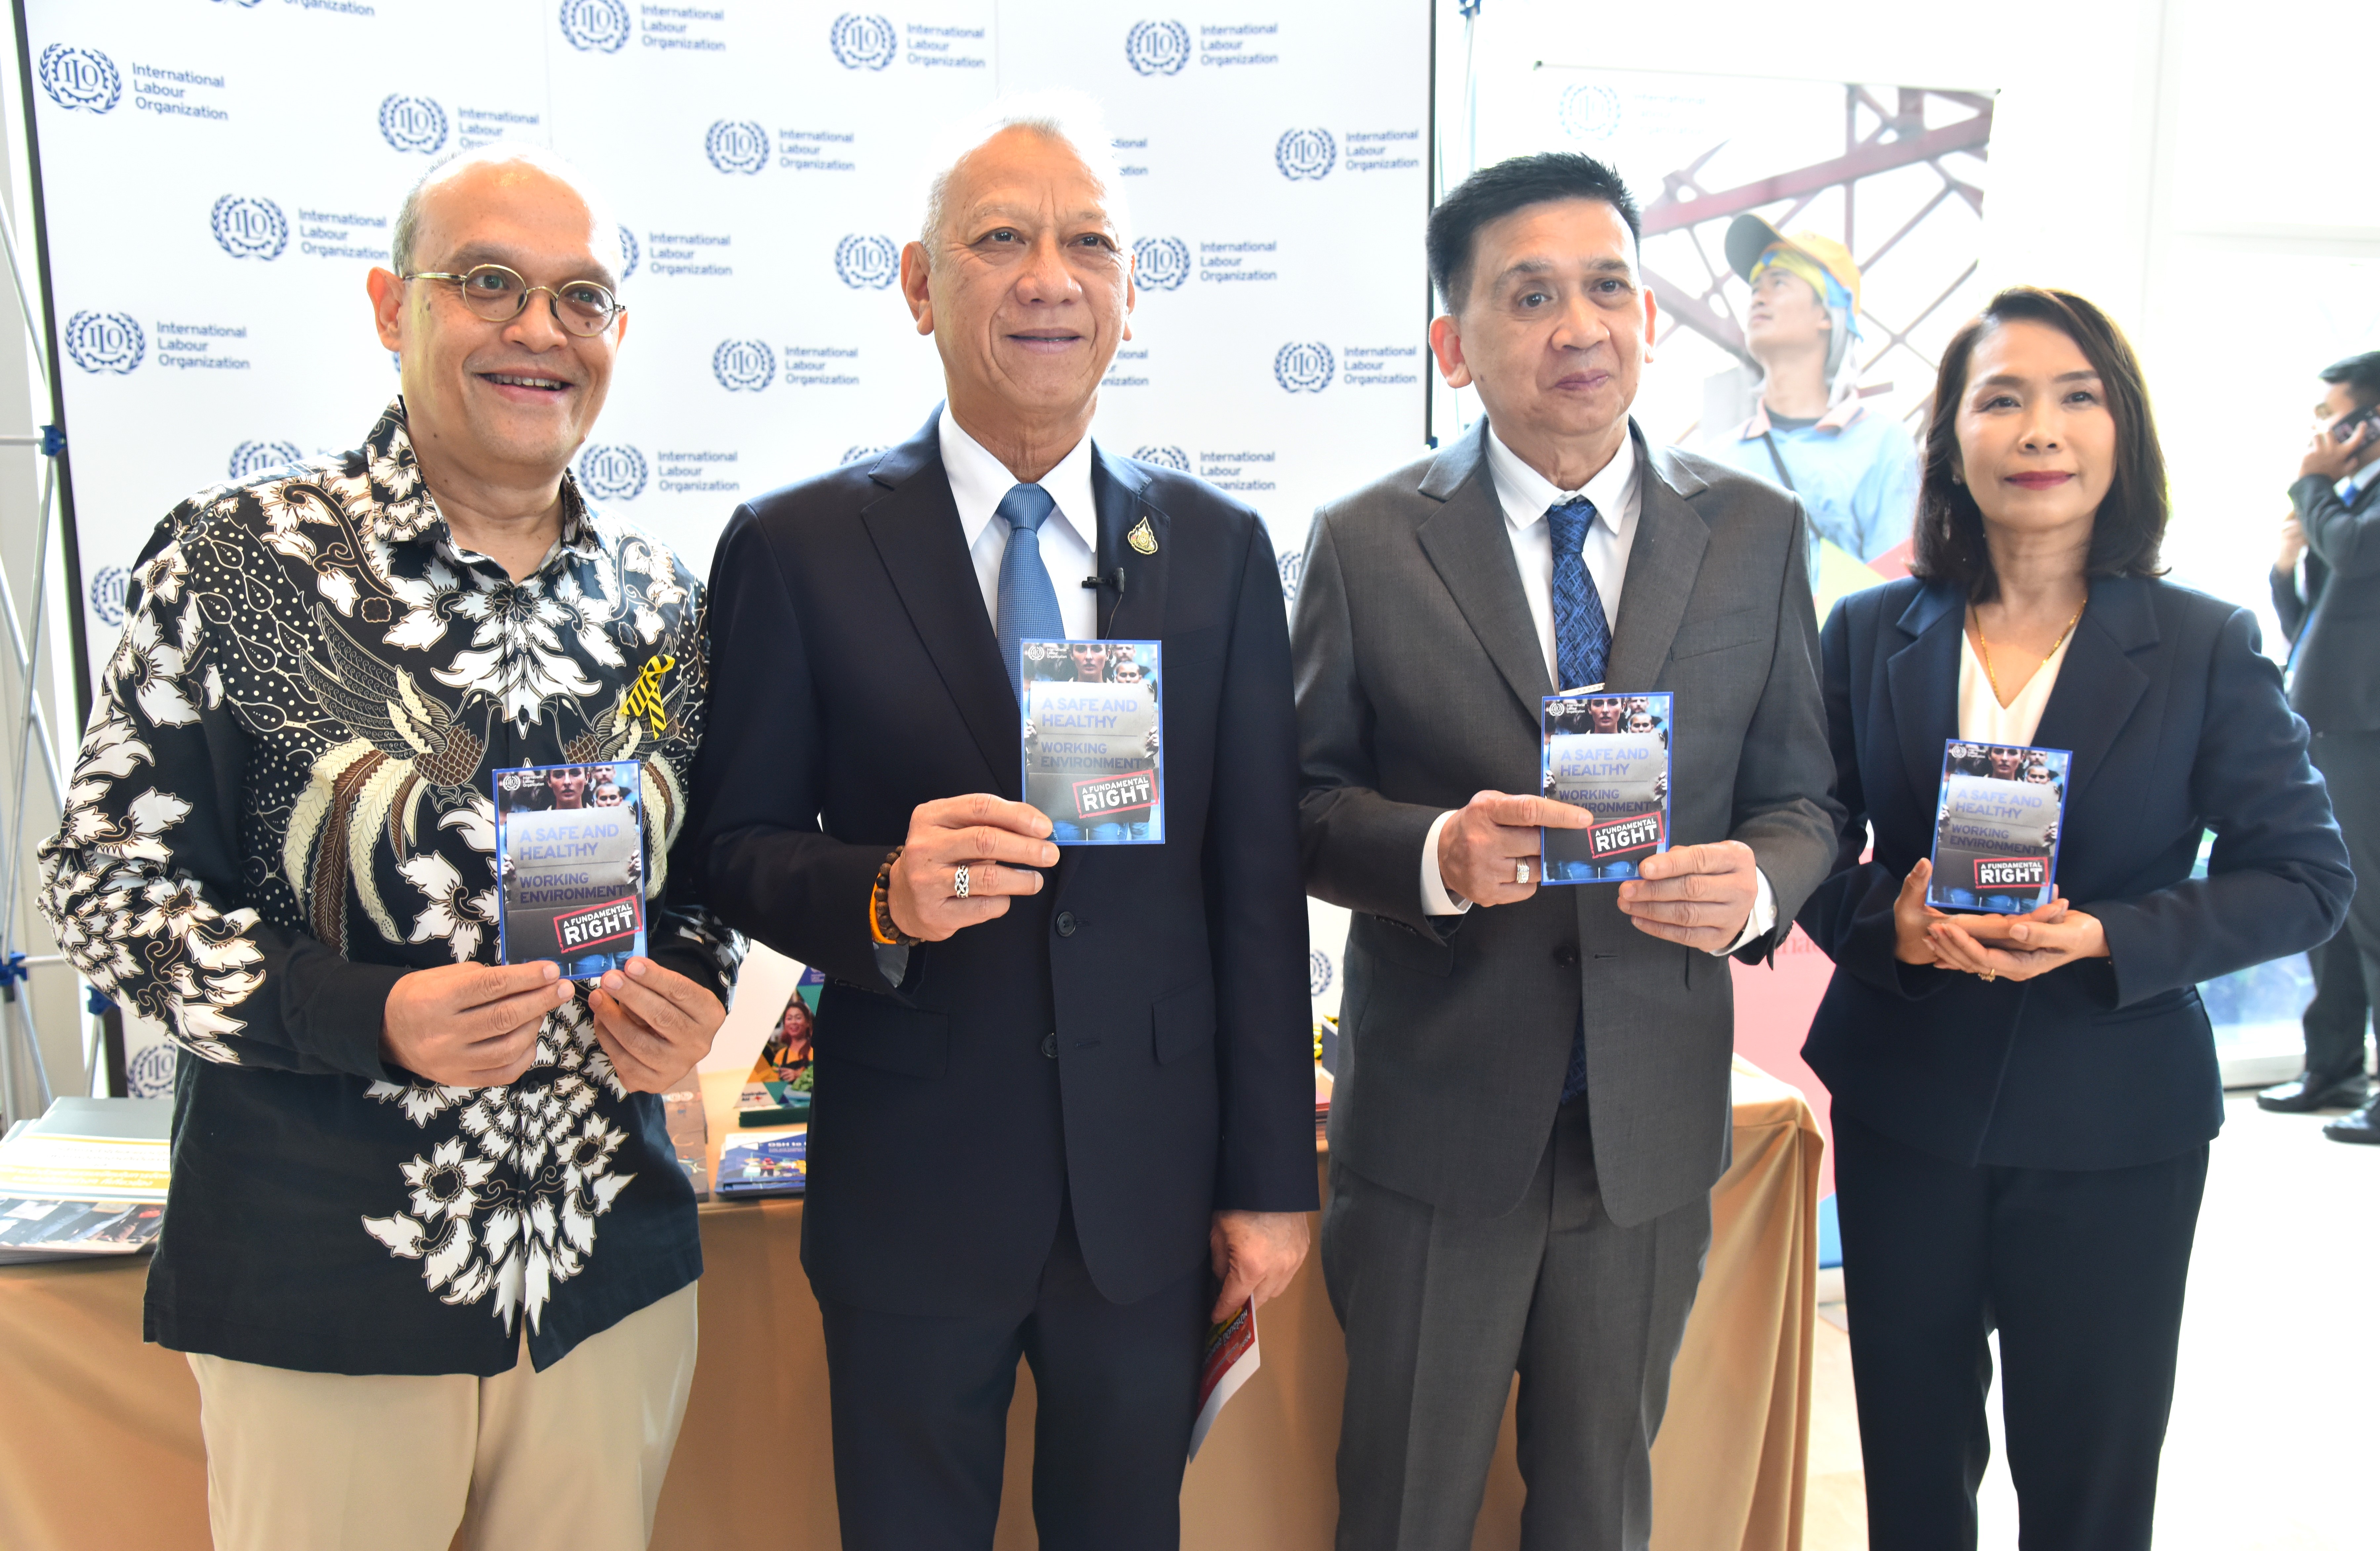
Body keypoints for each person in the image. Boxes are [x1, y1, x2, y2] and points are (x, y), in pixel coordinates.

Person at [36, 145, 740, 1551]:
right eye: (489, 282)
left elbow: (699, 871)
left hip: (603, 1273)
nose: (539, 329)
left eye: (581, 297)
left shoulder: (661, 603)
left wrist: (695, 987)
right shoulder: (241, 561)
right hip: (326, 1279)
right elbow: (105, 887)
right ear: (389, 304)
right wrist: (365, 1012)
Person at [690, 92, 1313, 1551]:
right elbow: (731, 845)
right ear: (920, 285)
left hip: (1145, 1194)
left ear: (1129, 295)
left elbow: (1255, 888)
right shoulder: (799, 546)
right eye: (1000, 241)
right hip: (913, 1184)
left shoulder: (1214, 550)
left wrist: (1270, 1181)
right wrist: (880, 892)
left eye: (1088, 244)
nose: (1050, 278)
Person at [1293, 152, 1840, 1551]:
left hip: (1645, 1128)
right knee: (1401, 1508)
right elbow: (1300, 801)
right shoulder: (1366, 542)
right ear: (1452, 343)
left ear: (1649, 317)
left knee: (1600, 1507)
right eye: (1529, 296)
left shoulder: (1755, 532)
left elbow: (1802, 799)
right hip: (1436, 1123)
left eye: (1607, 287)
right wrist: (1435, 853)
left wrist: (1756, 886)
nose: (1578, 326)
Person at [1796, 286, 2350, 1549]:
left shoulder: (2204, 643)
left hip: (2113, 1119)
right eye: (1999, 399)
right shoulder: (1868, 631)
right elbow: (1807, 833)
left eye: (2074, 397)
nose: (2038, 428)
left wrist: (2107, 934)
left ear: (2121, 433)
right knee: (1909, 1467)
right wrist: (1888, 920)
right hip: (1904, 1100)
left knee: (2088, 1485)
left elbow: (2303, 877)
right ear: (1951, 442)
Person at [2257, 349, 2380, 1132]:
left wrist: (2309, 483)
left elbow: (2359, 554)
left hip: (2367, 732)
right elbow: (2313, 626)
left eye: (2329, 416)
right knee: (2332, 900)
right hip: (2329, 723)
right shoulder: (2348, 500)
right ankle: (2330, 1067)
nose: (2317, 434)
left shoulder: (2350, 507)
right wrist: (2284, 566)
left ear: (2368, 421)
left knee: (2373, 909)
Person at [1709, 216, 1920, 573]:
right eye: (1756, 286)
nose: (1758, 296)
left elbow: (1897, 586)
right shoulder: (1715, 458)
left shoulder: (1884, 445)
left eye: (1779, 282)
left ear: (1827, 313)